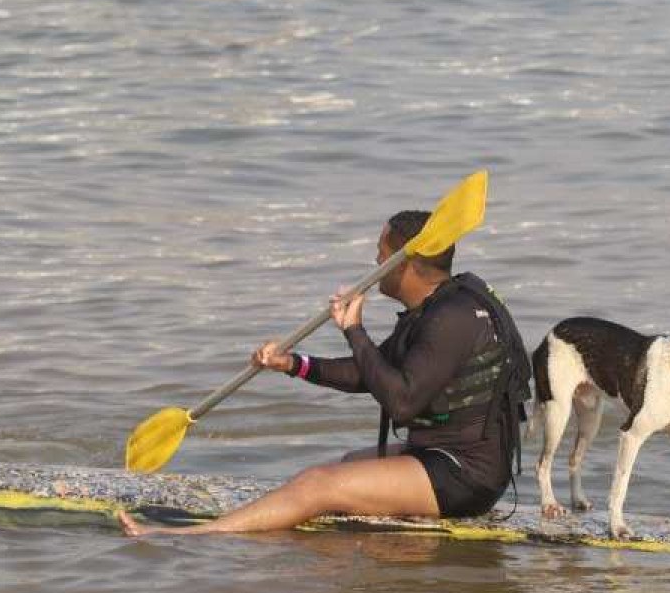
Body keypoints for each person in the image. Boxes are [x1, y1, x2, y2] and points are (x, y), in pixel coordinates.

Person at [119, 209, 531, 537]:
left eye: (380, 253)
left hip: (465, 474)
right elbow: (368, 374)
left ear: (404, 262)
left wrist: (353, 330)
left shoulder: (452, 318)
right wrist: (293, 365)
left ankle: (199, 535)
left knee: (318, 485)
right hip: (444, 456)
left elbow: (401, 403)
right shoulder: (440, 306)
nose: (374, 262)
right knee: (343, 468)